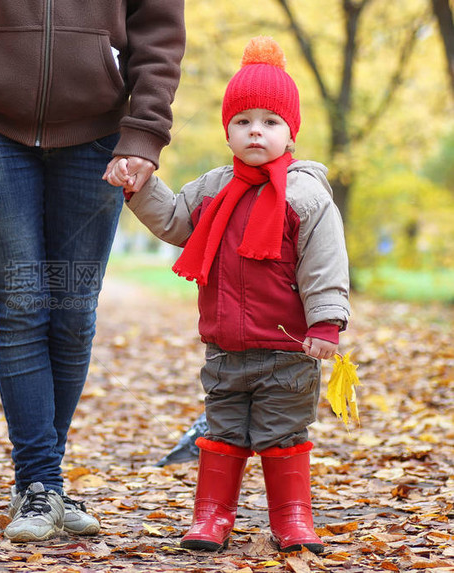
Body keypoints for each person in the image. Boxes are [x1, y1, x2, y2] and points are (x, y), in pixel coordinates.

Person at [0, 1, 186, 542]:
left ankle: (42, 488)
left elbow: (159, 35)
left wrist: (144, 134)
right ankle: (39, 481)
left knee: (74, 311)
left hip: (101, 137)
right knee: (21, 305)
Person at [107, 36, 349, 554]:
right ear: (229, 131)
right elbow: (175, 222)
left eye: (270, 122)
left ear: (290, 132)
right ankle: (212, 516)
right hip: (226, 347)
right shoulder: (215, 187)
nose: (256, 131)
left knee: (283, 433)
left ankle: (292, 517)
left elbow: (324, 264)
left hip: (287, 350)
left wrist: (326, 323)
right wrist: (141, 187)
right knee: (223, 431)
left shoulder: (306, 195)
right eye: (243, 122)